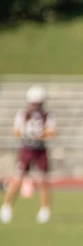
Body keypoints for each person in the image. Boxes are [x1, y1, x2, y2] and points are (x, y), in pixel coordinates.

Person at [2, 86, 56, 224]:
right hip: (27, 149)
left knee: (43, 180)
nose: (35, 106)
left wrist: (41, 135)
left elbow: (51, 133)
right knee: (18, 178)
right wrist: (26, 133)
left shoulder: (47, 116)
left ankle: (45, 210)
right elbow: (16, 132)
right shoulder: (23, 115)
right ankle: (7, 206)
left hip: (40, 150)